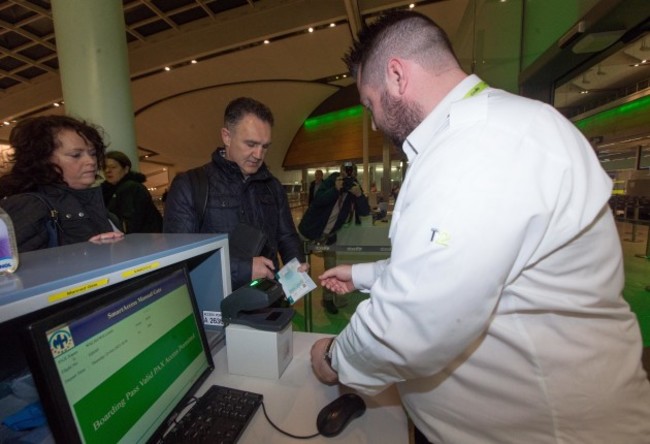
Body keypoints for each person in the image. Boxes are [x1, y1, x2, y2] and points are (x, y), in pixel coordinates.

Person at [310, 10, 650, 444]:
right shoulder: (489, 131)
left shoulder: (477, 148)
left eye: (370, 104)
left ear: (396, 75)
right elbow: (448, 268)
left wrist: (335, 358)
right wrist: (361, 275)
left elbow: (412, 321)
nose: (375, 122)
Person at [163, 97, 307, 290]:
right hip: (218, 304)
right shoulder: (190, 185)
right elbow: (178, 257)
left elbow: (287, 236)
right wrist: (244, 269)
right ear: (227, 137)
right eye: (250, 144)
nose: (258, 155)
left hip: (267, 302)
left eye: (265, 146)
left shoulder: (272, 186)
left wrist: (297, 268)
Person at [0, 115, 124, 251]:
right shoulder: (29, 205)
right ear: (43, 159)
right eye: (76, 155)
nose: (91, 161)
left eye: (93, 153)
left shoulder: (90, 202)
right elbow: (10, 268)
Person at [298, 162, 370, 314]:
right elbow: (318, 201)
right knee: (296, 265)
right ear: (341, 171)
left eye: (352, 171)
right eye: (346, 170)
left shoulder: (354, 187)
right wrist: (335, 189)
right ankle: (285, 296)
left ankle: (328, 299)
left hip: (329, 236)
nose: (348, 174)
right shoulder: (331, 181)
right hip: (309, 230)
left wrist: (359, 195)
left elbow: (364, 212)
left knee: (331, 268)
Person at [101, 150, 163, 233]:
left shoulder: (131, 188)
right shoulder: (108, 191)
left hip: (139, 241)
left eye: (113, 167)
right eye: (105, 167)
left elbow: (130, 222)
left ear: (126, 169)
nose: (107, 170)